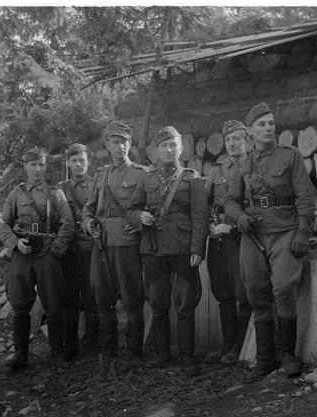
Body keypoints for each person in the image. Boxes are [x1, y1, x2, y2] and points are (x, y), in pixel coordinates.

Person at [225, 103, 315, 383]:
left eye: (270, 123)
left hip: (285, 231)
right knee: (256, 293)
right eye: (261, 124)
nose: (268, 128)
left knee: (284, 288)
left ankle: (287, 354)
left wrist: (302, 232)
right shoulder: (243, 162)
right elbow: (230, 200)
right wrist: (239, 217)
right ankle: (265, 358)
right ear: (250, 131)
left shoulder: (291, 156)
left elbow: (305, 197)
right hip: (253, 236)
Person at [127, 126, 209, 377]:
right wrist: (140, 216)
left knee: (185, 304)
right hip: (153, 250)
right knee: (158, 303)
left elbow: (200, 217)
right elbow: (131, 211)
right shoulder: (147, 179)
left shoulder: (191, 179)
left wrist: (197, 248)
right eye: (164, 146)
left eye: (173, 145)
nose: (169, 150)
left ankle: (186, 356)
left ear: (181, 149)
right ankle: (163, 354)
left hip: (183, 250)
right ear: (156, 150)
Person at [0, 146, 77, 371]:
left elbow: (68, 224)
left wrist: (56, 250)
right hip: (23, 254)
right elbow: (2, 224)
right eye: (33, 165)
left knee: (54, 302)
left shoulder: (55, 193)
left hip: (47, 255)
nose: (38, 169)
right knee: (20, 303)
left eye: (41, 164)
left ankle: (57, 352)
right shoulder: (17, 194)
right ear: (25, 167)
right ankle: (21, 353)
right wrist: (15, 243)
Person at [81, 121, 147, 378]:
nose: (119, 147)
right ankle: (108, 354)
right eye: (114, 142)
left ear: (129, 145)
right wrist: (88, 225)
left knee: (132, 301)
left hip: (127, 247)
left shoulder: (141, 174)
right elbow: (87, 209)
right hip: (101, 246)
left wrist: (139, 222)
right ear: (107, 145)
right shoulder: (99, 176)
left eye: (124, 142)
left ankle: (134, 355)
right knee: (102, 301)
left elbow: (149, 208)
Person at [205, 120, 251, 365]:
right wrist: (209, 227)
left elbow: (252, 209)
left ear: (247, 140)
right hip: (218, 239)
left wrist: (231, 227)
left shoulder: (253, 167)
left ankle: (240, 348)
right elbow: (205, 201)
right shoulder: (217, 170)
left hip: (242, 238)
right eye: (229, 139)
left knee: (242, 293)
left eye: (237, 138)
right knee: (222, 292)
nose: (233, 143)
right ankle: (228, 345)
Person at [58, 143, 98, 358]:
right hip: (69, 251)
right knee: (69, 298)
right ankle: (70, 346)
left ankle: (92, 342)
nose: (78, 164)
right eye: (74, 161)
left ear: (87, 162)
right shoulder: (61, 188)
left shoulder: (96, 185)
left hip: (90, 248)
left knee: (91, 296)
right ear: (68, 163)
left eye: (82, 160)